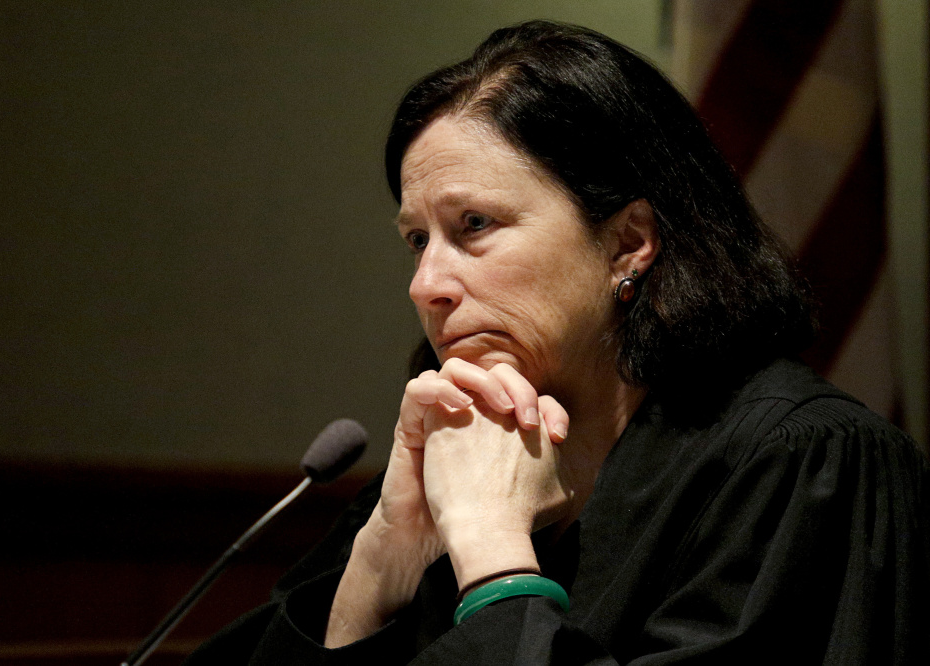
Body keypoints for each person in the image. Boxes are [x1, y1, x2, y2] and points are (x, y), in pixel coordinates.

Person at [185, 20, 929, 664]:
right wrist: (377, 567)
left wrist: (492, 555)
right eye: (417, 239)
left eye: (473, 225)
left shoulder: (803, 461)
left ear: (628, 241)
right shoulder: (454, 457)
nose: (425, 284)